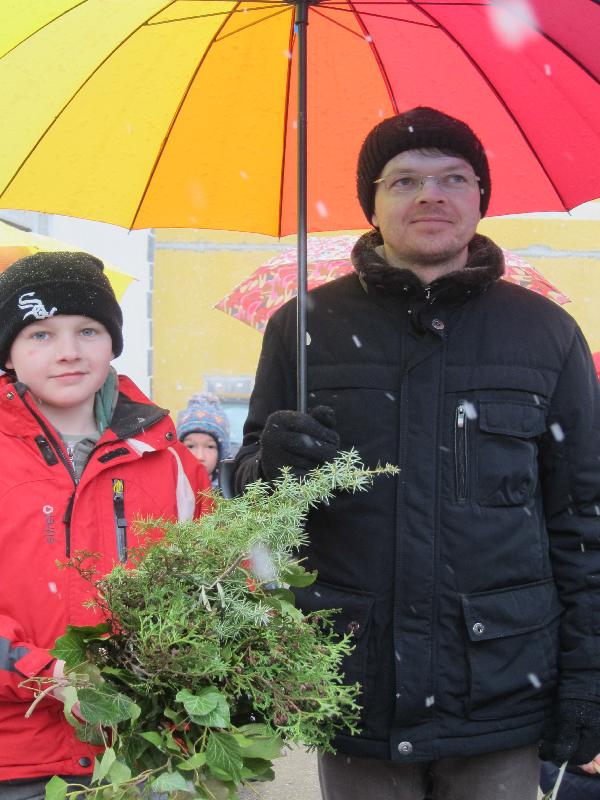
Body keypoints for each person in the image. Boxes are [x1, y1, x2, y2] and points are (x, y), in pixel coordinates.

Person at [232, 107, 600, 800]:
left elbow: (584, 520)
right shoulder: (303, 329)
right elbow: (249, 505)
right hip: (355, 682)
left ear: (481, 199)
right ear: (371, 206)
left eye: (453, 178)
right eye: (403, 181)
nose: (431, 194)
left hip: (498, 688)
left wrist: (589, 679)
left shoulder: (545, 334)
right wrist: (271, 467)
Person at [0, 252, 211, 797]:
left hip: (147, 754)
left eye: (88, 330)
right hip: (17, 760)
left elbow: (228, 578)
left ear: (112, 342)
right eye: (40, 335)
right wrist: (48, 675)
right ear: (8, 353)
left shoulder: (169, 460)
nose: (69, 351)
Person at [176, 392, 232, 486]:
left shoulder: (234, 491)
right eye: (190, 446)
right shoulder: (165, 489)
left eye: (210, 447)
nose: (200, 457)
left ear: (222, 453)